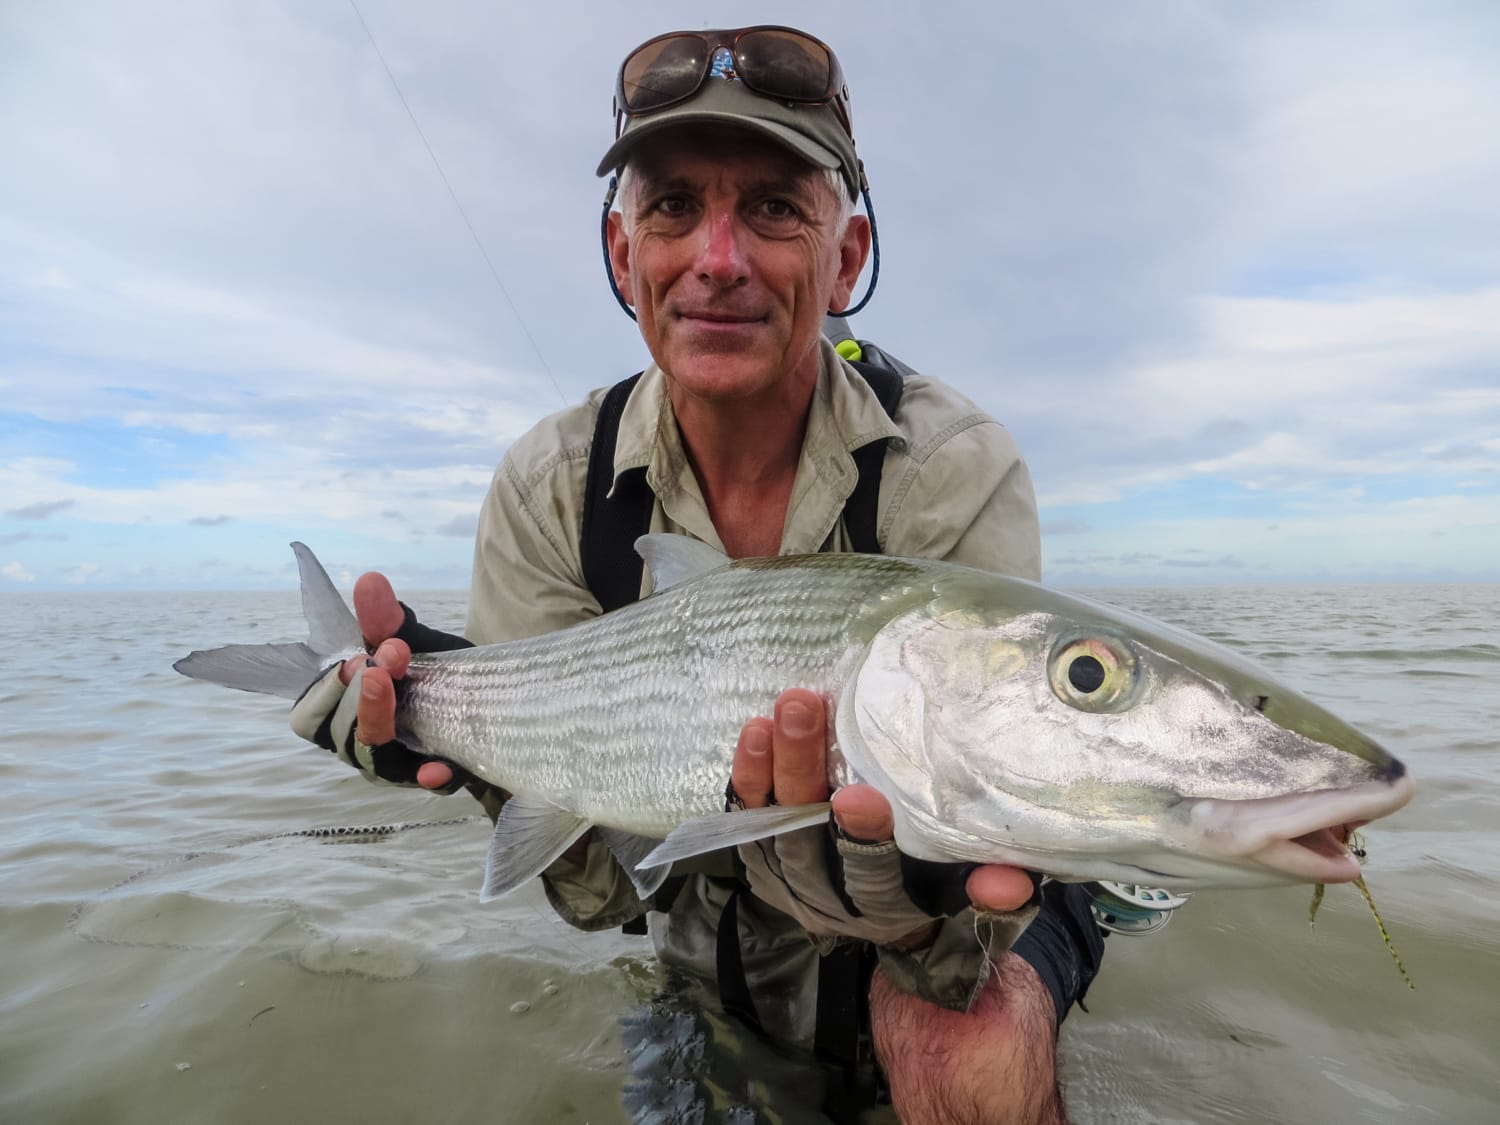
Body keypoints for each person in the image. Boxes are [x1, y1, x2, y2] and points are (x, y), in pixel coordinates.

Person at [292, 25, 1106, 1123]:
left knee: (969, 1042)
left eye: (774, 208)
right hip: (703, 946)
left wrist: (920, 903)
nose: (717, 258)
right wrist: (461, 731)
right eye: (673, 206)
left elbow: (980, 898)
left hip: (945, 927)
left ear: (848, 257)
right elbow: (597, 898)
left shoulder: (950, 467)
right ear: (624, 256)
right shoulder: (549, 486)